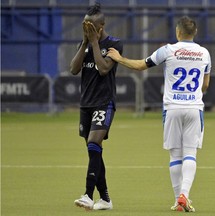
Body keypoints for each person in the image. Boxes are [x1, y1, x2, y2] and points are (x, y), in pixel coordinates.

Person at [107, 16, 211, 212]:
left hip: (172, 108)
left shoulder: (168, 50)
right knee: (190, 153)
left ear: (178, 32)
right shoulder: (204, 53)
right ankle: (184, 196)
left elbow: (140, 65)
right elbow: (205, 84)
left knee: (175, 155)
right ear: (194, 33)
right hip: (194, 107)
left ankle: (177, 200)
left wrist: (119, 59)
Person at [70, 3, 123, 211]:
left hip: (104, 101)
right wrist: (85, 42)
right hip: (86, 104)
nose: (87, 28)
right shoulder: (83, 44)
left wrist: (93, 43)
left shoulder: (114, 44)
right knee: (94, 151)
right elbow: (74, 69)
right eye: (84, 25)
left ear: (101, 26)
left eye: (90, 26)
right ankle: (106, 199)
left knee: (94, 143)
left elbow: (103, 69)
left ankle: (87, 195)